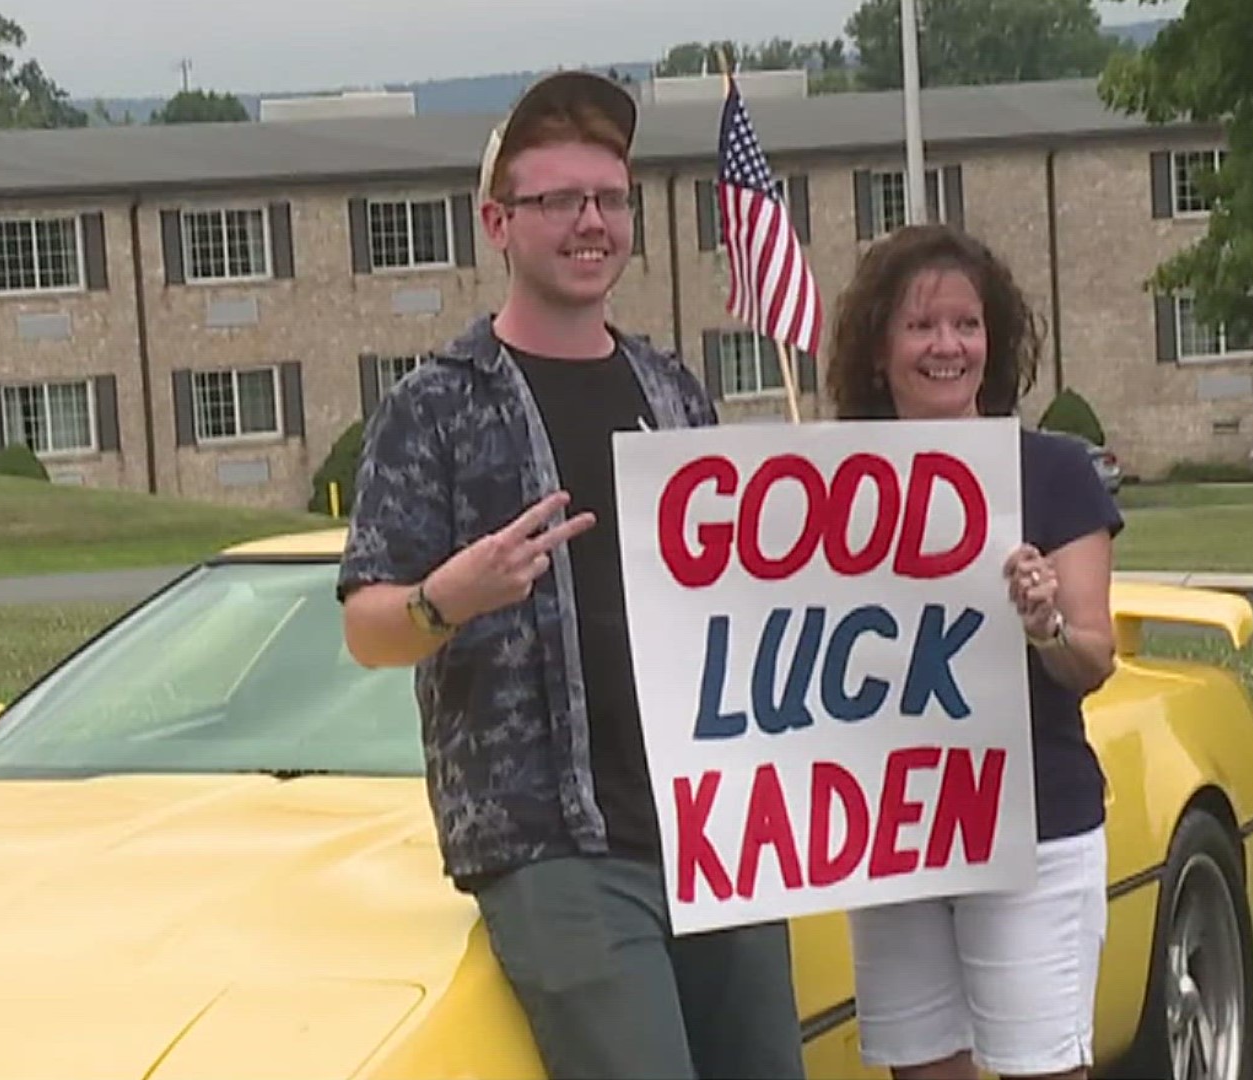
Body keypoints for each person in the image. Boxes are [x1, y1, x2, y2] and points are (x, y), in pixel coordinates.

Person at [336, 70, 806, 1080]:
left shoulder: (672, 392)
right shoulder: (437, 409)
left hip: (713, 824)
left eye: (610, 199)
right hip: (555, 849)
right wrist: (448, 597)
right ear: (497, 221)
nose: (592, 223)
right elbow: (369, 628)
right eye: (561, 202)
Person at [824, 223, 1124, 1080]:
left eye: (966, 324)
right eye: (921, 327)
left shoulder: (1055, 473)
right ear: (879, 351)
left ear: (994, 343)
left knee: (1041, 1067)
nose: (946, 345)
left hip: (1032, 829)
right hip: (889, 830)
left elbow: (1093, 660)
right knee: (920, 1069)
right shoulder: (828, 487)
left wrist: (1044, 627)